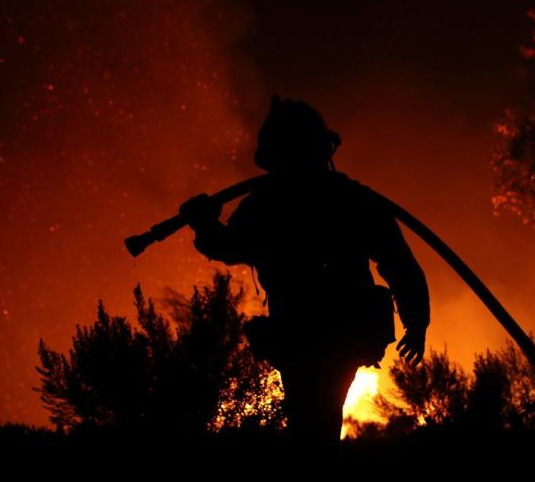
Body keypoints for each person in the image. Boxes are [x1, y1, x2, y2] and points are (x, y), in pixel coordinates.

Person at [181, 96, 430, 447]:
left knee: (312, 417)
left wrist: (417, 322)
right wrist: (205, 224)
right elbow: (399, 262)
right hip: (317, 332)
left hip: (323, 331)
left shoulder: (283, 202)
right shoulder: (338, 199)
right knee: (315, 418)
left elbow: (398, 262)